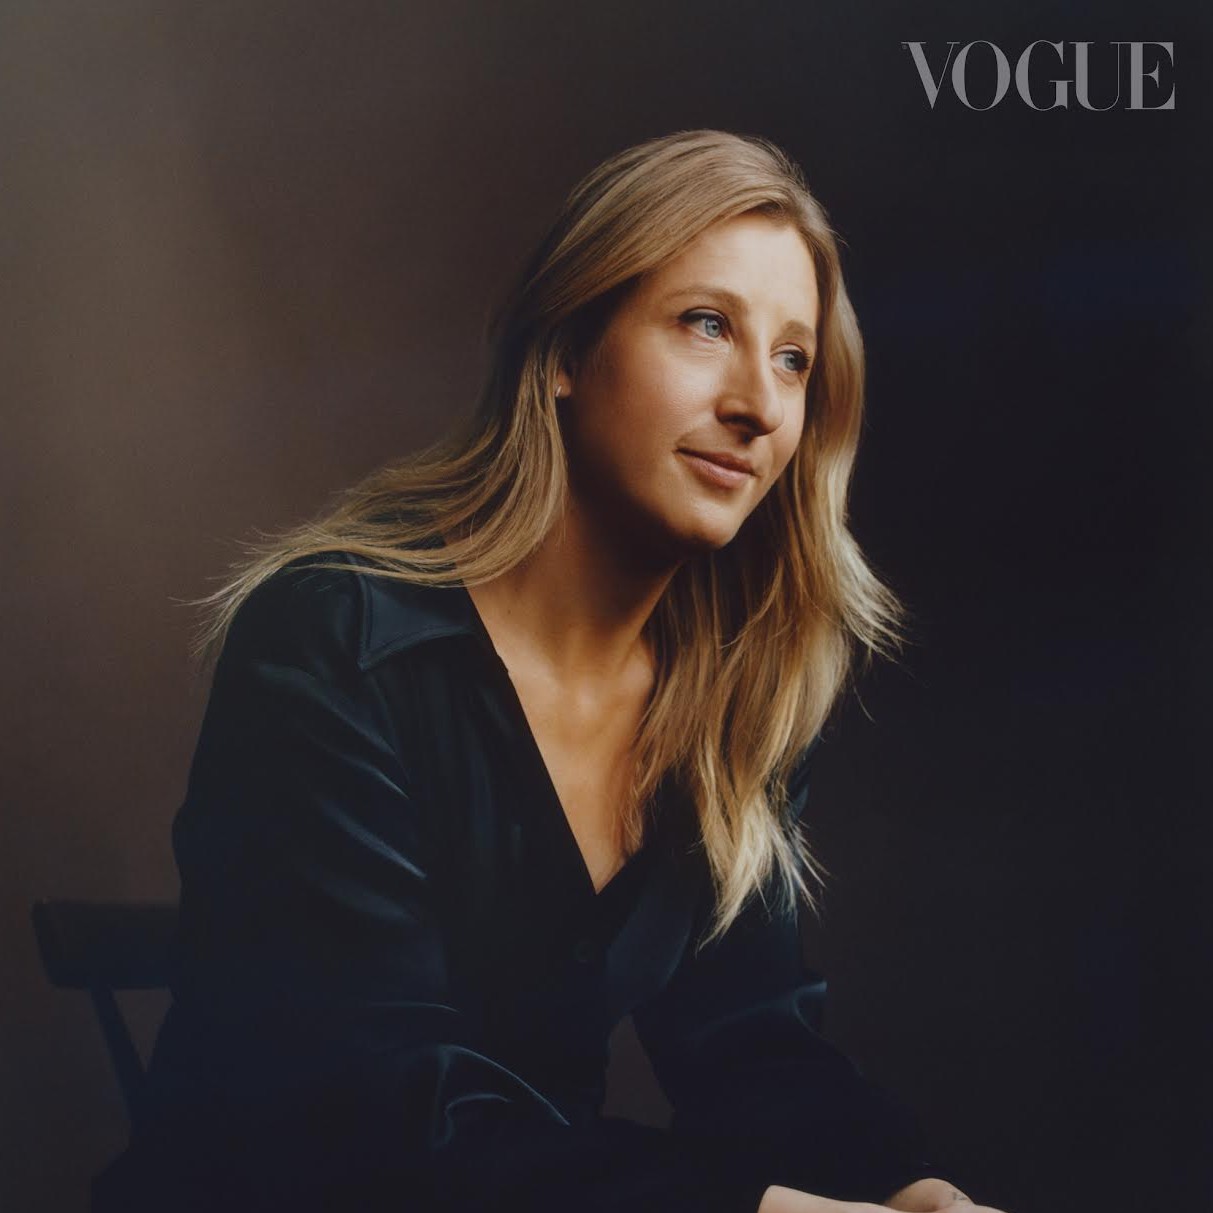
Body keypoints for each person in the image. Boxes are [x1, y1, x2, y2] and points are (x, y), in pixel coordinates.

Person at [92, 130, 1008, 1213]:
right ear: (567, 349)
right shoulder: (334, 635)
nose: (759, 405)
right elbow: (373, 1111)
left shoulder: (728, 702)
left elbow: (750, 1048)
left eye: (793, 359)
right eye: (706, 324)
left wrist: (913, 1191)